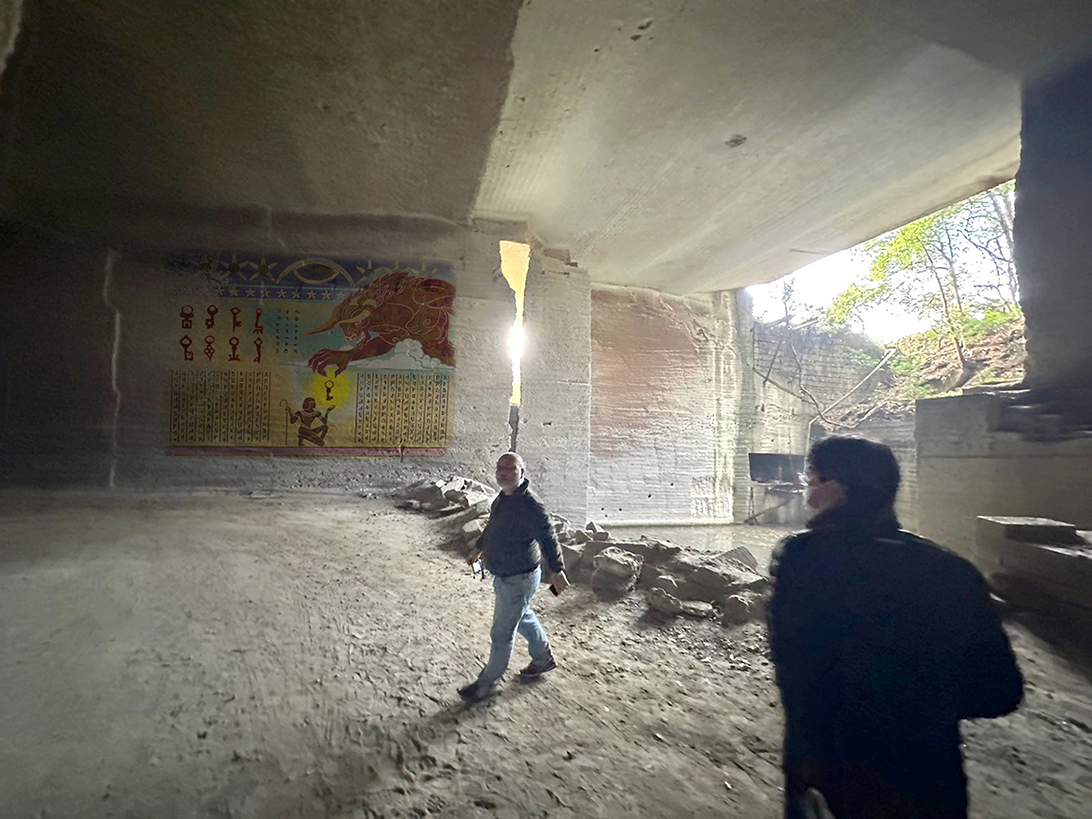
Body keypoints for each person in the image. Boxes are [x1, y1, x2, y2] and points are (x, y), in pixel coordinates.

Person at [767, 435, 1023, 819]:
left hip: (835, 778)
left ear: (839, 488)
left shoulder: (804, 560)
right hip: (932, 782)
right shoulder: (953, 571)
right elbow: (1000, 691)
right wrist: (923, 707)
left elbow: (802, 677)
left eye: (813, 479)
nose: (808, 491)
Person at [458, 452, 568, 703]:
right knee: (522, 614)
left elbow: (548, 536)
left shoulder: (531, 505)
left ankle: (487, 683)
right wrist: (479, 548)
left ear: (522, 473)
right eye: (500, 468)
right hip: (506, 574)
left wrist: (557, 569)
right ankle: (542, 658)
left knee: (502, 632)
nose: (503, 472)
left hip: (519, 576)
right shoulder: (503, 498)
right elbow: (493, 527)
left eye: (510, 468)